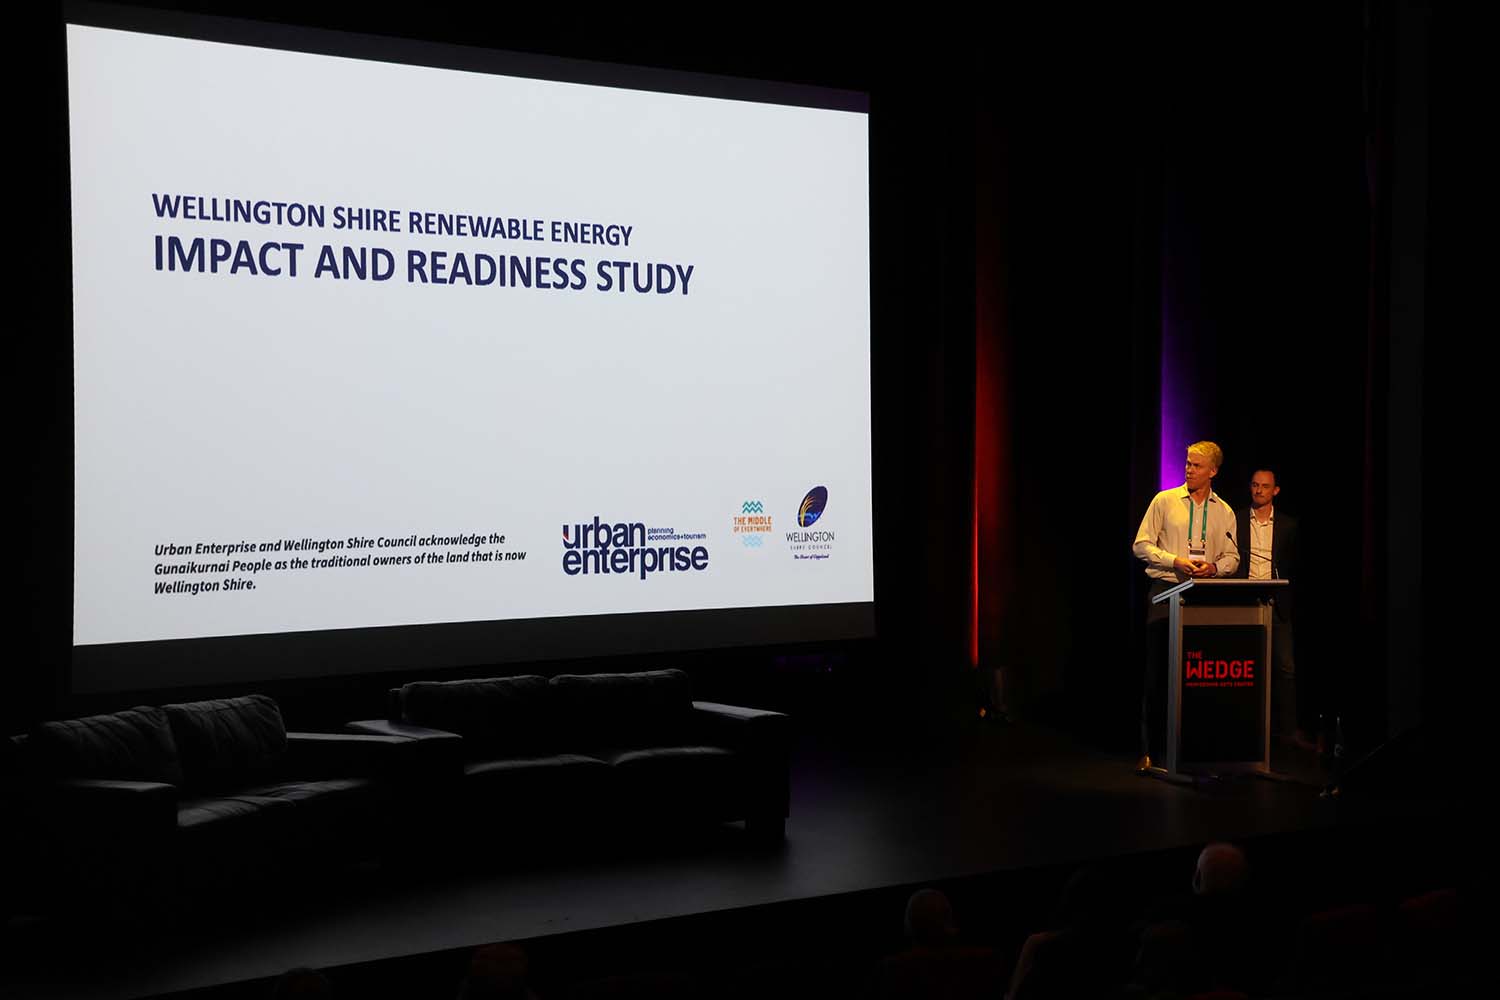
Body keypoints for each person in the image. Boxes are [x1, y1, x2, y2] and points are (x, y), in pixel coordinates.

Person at [1131, 441, 1239, 772]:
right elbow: (1140, 545)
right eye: (1188, 463)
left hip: (1202, 595)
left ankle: (1194, 748)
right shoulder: (1164, 501)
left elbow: (1233, 557)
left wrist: (1214, 568)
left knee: (1198, 675)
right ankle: (1150, 751)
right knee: (1157, 674)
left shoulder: (1224, 511)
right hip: (1166, 590)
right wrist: (1174, 560)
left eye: (1196, 465)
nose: (1189, 469)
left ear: (1213, 471)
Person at [1232, 468, 1311, 751]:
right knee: (1243, 668)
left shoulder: (1289, 525)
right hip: (1245, 600)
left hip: (1277, 602)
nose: (1259, 490)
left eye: (1265, 486)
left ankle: (1287, 730)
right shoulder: (1236, 519)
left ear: (1275, 490)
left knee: (1285, 668)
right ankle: (1244, 727)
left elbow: (1296, 565)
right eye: (1255, 485)